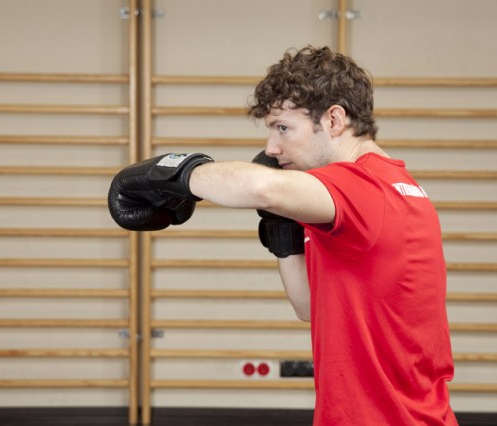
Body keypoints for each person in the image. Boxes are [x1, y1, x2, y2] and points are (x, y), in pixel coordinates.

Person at [108, 45, 458, 425]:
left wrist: (176, 172)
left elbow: (260, 187)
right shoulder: (395, 187)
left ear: (334, 120)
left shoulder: (360, 187)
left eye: (283, 128)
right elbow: (310, 308)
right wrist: (283, 230)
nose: (271, 148)